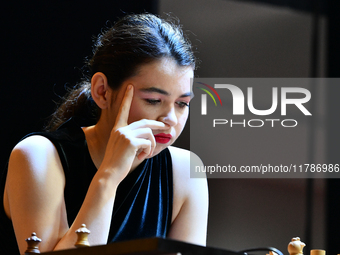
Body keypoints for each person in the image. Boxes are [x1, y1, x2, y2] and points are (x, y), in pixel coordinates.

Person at [0, 13, 208, 254]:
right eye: (153, 100)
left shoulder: (184, 170)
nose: (170, 119)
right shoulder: (38, 156)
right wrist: (109, 176)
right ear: (102, 91)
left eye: (182, 103)